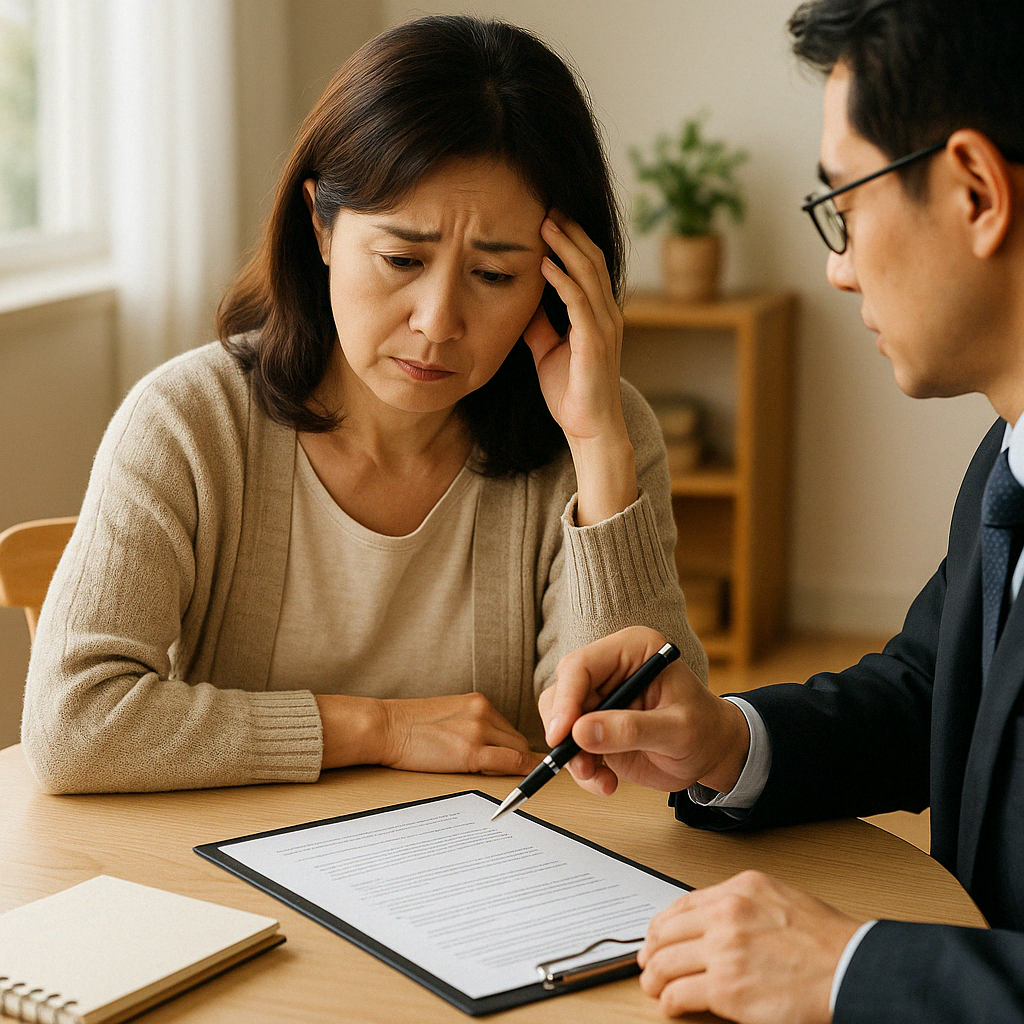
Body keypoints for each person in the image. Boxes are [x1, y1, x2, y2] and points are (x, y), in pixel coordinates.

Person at [21, 15, 706, 795]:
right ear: (319, 225)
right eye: (402, 258)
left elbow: (632, 752)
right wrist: (380, 727)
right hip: (229, 875)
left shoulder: (601, 437)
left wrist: (601, 452)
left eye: (493, 276)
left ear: (557, 280)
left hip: (482, 886)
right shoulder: (187, 422)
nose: (437, 322)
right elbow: (74, 724)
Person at [539, 0, 1024, 1021]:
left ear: (976, 190)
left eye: (842, 206)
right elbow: (928, 691)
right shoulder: (1005, 461)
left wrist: (850, 968)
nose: (837, 266)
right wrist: (721, 740)